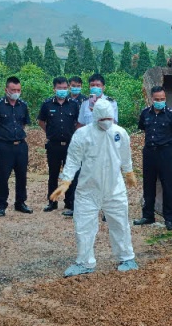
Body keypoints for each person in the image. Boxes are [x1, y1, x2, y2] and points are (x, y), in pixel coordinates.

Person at [51, 100, 138, 276]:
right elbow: (73, 159)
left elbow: (125, 155)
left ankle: (127, 257)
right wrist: (66, 181)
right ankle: (85, 262)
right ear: (95, 116)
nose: (107, 122)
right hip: (88, 190)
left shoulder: (120, 133)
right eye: (103, 119)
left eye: (109, 119)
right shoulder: (83, 134)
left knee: (120, 223)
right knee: (83, 226)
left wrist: (129, 172)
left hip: (114, 189)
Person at [134, 86, 172, 231]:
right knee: (148, 184)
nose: (159, 101)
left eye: (162, 99)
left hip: (165, 153)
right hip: (149, 153)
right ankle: (148, 215)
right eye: (157, 99)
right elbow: (144, 129)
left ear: (165, 98)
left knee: (167, 186)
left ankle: (169, 219)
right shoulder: (145, 113)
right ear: (152, 99)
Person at [0, 76, 33, 216]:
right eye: (13, 90)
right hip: (4, 147)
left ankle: (20, 203)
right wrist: (0, 138)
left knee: (21, 176)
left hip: (20, 146)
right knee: (2, 176)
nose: (16, 92)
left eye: (18, 90)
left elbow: (23, 124)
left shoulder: (23, 105)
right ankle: (1, 205)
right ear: (6, 89)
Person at [39, 76, 82, 215]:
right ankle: (52, 202)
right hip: (54, 145)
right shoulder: (47, 104)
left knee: (70, 175)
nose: (62, 90)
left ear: (67, 88)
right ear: (54, 89)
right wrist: (50, 132)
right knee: (53, 174)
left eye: (64, 88)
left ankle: (70, 202)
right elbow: (41, 121)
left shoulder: (74, 104)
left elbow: (78, 122)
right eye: (59, 88)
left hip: (70, 145)